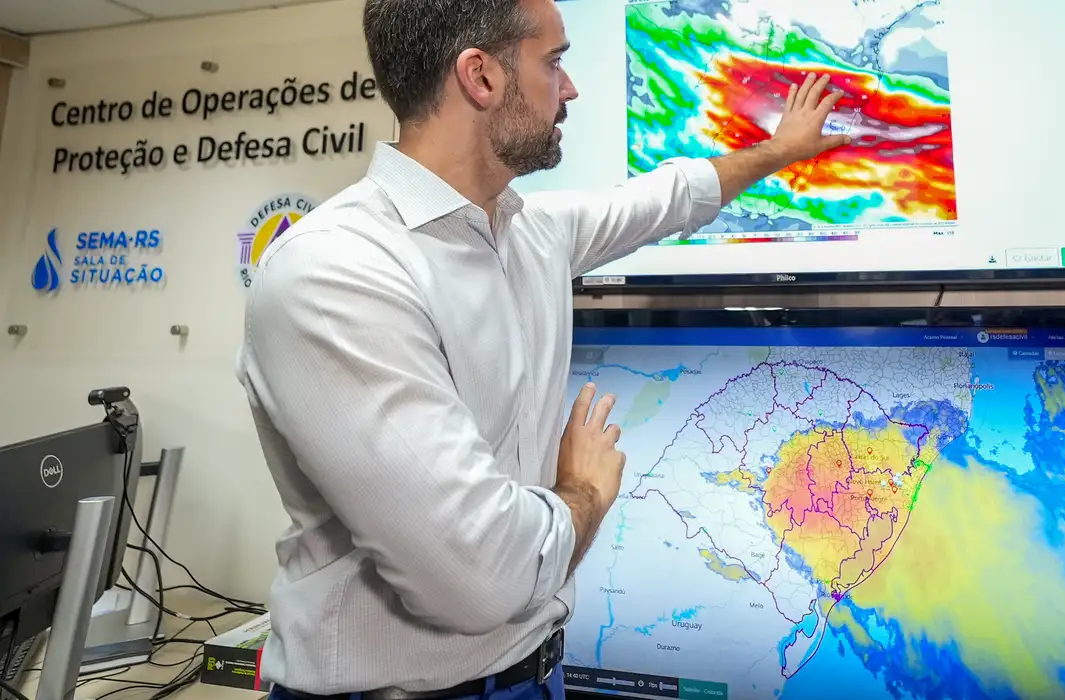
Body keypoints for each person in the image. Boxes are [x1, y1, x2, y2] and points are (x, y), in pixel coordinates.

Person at [235, 0, 850, 698]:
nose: (571, 88)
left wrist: (781, 151)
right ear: (481, 77)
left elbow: (671, 196)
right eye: (553, 62)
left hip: (534, 677)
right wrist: (585, 490)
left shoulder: (528, 233)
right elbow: (480, 579)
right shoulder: (338, 272)